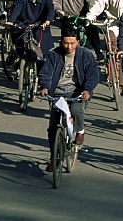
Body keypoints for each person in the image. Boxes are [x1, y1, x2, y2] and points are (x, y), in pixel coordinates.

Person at [38, 30, 99, 171]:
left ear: (78, 42)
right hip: (58, 94)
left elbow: (93, 74)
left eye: (72, 43)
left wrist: (87, 89)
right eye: (66, 43)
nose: (69, 46)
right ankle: (55, 158)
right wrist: (45, 87)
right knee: (53, 128)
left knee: (76, 110)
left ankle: (80, 132)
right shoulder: (55, 54)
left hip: (76, 92)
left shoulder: (85, 54)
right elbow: (46, 73)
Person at [6, 0, 55, 64]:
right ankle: (20, 60)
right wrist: (11, 21)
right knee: (19, 41)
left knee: (43, 50)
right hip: (24, 23)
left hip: (40, 24)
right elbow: (17, 8)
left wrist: (48, 20)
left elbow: (50, 9)